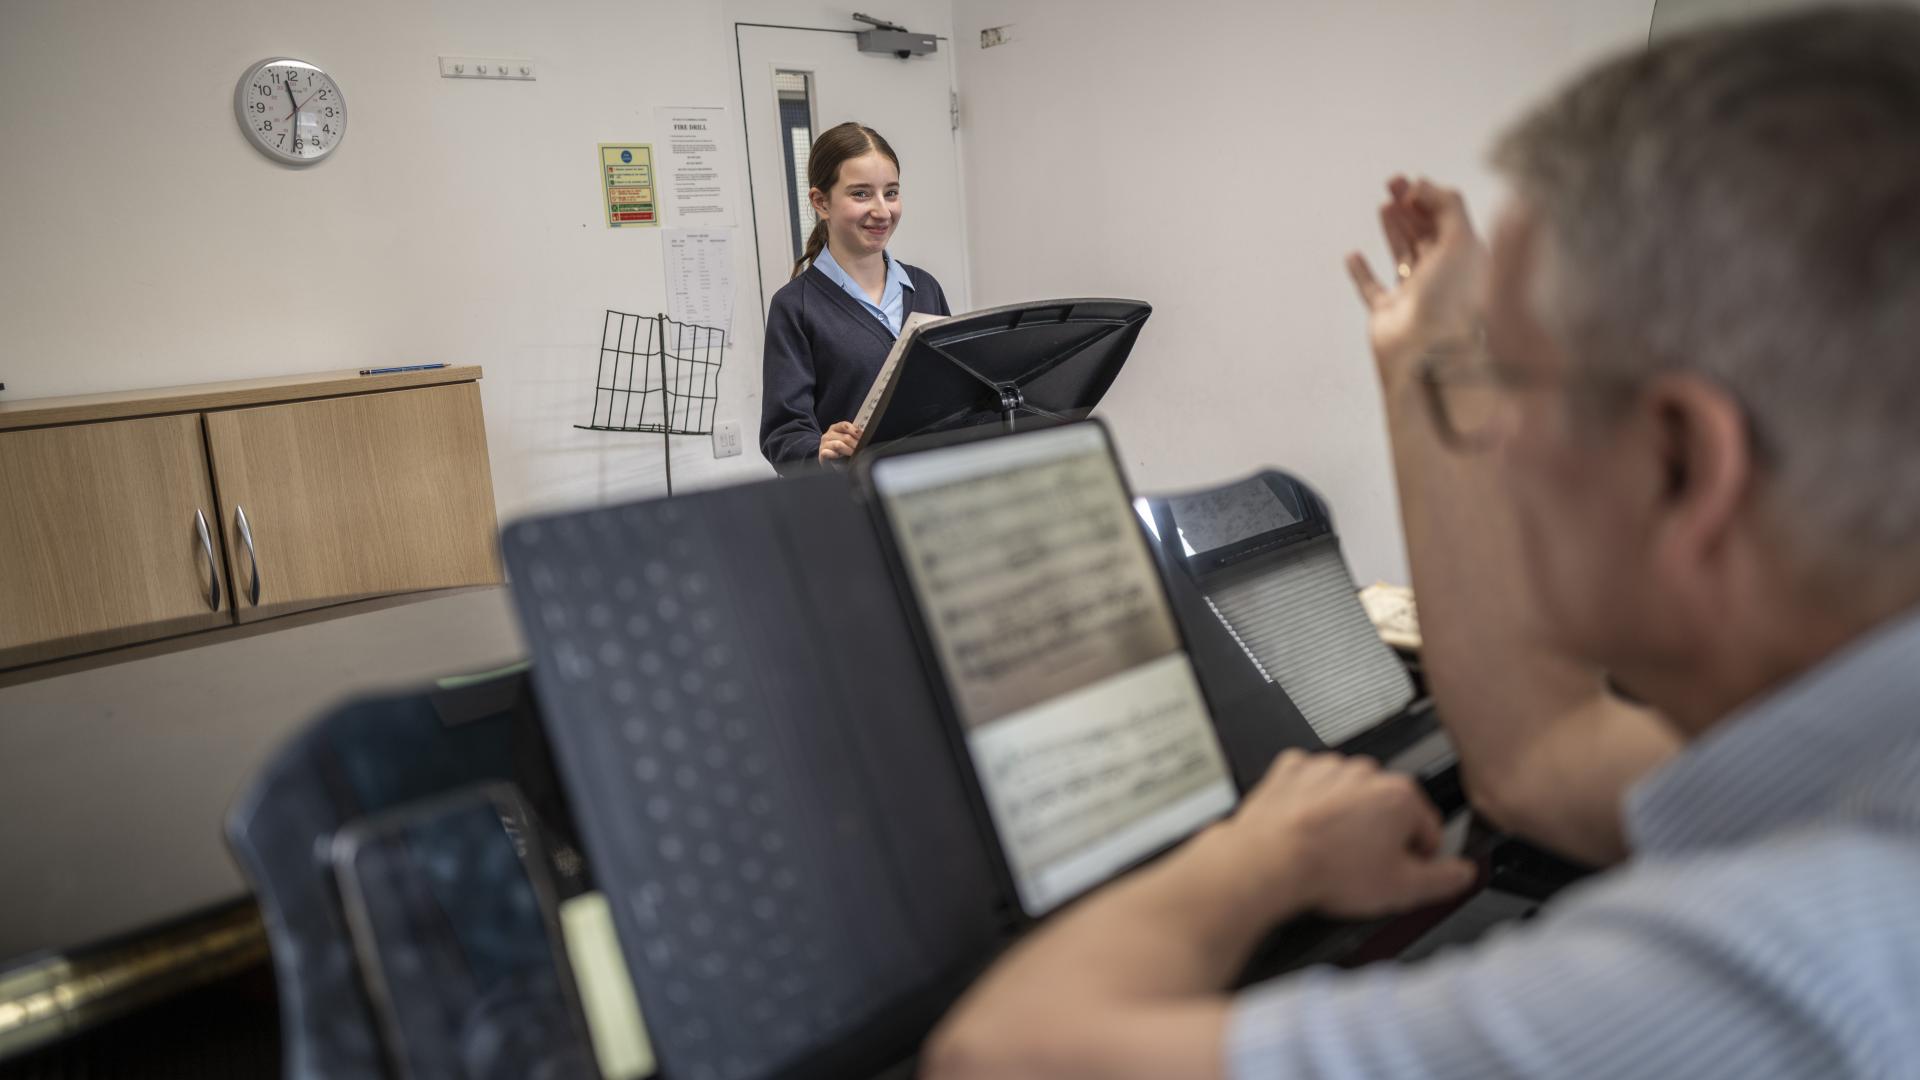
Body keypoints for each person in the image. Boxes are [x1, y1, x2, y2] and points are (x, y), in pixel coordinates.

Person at [924, 7, 1920, 1077]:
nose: (1491, 433)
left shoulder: (1792, 969)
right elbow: (1543, 764)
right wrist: (1424, 356)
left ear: (1679, 463)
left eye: (1508, 382)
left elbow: (997, 1057)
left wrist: (1250, 864)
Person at [760, 122, 951, 469]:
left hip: (929, 490)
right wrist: (817, 447)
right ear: (821, 202)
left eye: (891, 193)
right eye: (861, 194)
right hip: (851, 502)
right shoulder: (795, 308)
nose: (882, 211)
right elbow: (783, 435)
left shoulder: (925, 288)